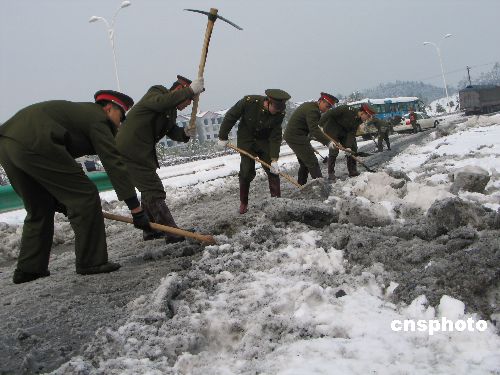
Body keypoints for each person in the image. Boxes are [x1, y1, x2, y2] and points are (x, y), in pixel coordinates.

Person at [0, 90, 151, 284]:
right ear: (108, 108)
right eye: (121, 116)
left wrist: (61, 200)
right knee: (85, 196)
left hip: (7, 144)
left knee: (40, 207)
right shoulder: (98, 118)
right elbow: (114, 164)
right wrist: (136, 210)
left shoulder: (78, 114)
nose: (120, 123)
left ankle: (29, 269)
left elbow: (54, 173)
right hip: (36, 141)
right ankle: (91, 262)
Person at [116, 75, 204, 243]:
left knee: (148, 190)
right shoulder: (157, 93)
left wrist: (185, 133)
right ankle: (172, 233)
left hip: (140, 150)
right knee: (154, 189)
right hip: (131, 149)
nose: (188, 105)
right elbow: (162, 102)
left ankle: (150, 230)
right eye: (188, 100)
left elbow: (171, 131)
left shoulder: (170, 112)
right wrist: (191, 90)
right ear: (180, 90)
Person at [217, 89, 291, 214]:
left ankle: (277, 201)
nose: (278, 112)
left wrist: (274, 159)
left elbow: (275, 136)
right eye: (276, 109)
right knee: (246, 172)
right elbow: (231, 116)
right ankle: (244, 203)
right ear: (268, 102)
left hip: (264, 142)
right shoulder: (249, 102)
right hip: (247, 141)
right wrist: (223, 136)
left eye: (280, 109)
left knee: (273, 171)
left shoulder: (279, 114)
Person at [283, 92, 338, 185]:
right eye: (327, 106)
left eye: (329, 107)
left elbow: (311, 129)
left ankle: (301, 185)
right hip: (296, 136)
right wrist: (328, 142)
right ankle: (321, 185)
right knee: (312, 161)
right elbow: (313, 129)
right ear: (321, 101)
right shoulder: (313, 111)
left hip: (296, 136)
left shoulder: (311, 107)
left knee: (305, 162)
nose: (327, 109)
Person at [320, 103, 375, 180]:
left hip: (344, 133)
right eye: (368, 116)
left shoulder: (359, 120)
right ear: (363, 113)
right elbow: (330, 113)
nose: (368, 118)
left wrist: (348, 147)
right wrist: (320, 124)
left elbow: (351, 133)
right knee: (334, 150)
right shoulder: (346, 109)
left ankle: (352, 171)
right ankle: (331, 173)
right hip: (332, 130)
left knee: (353, 147)